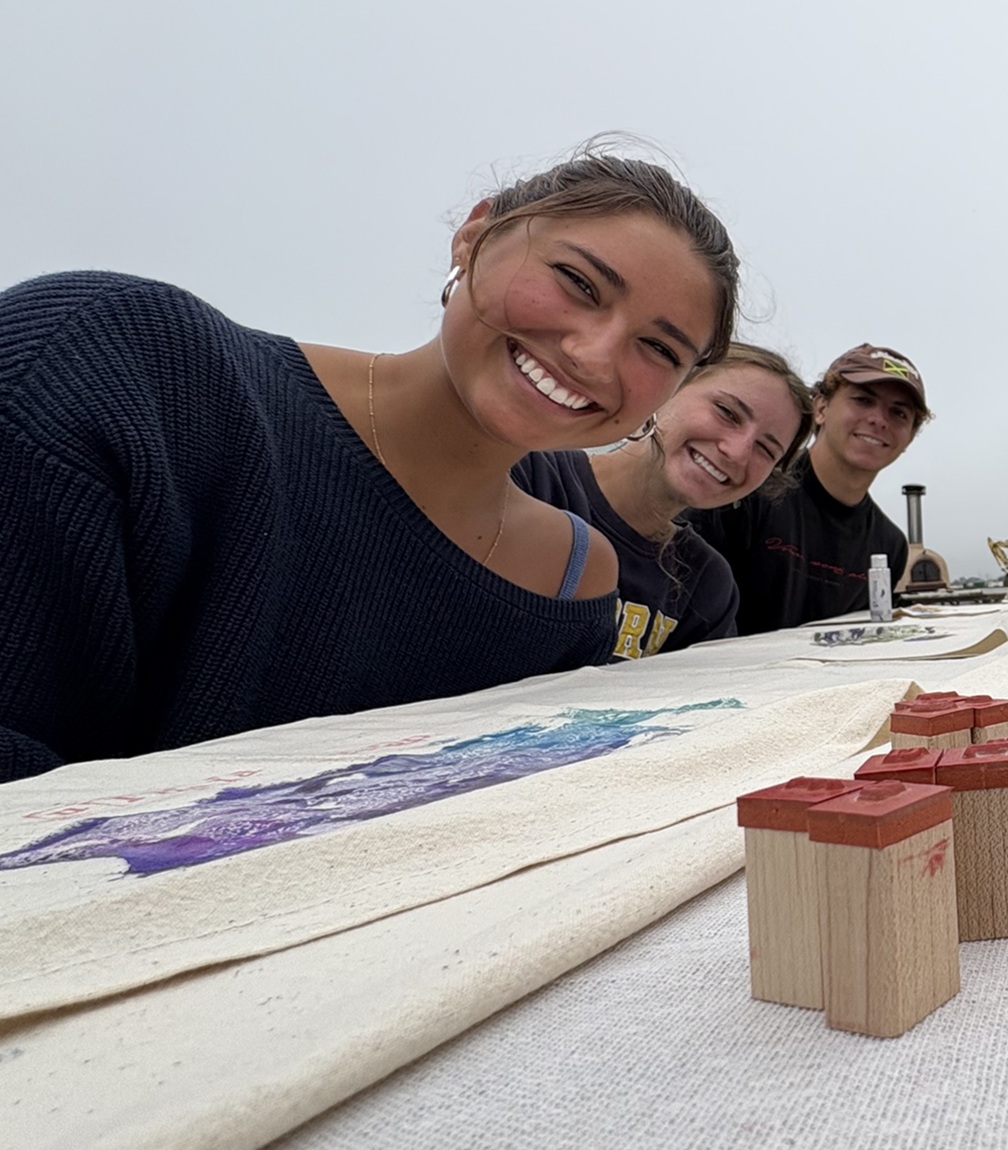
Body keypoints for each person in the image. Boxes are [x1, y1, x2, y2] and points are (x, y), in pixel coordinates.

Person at [0, 150, 740, 782]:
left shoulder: (577, 576)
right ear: (475, 234)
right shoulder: (125, 368)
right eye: (579, 282)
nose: (592, 352)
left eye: (660, 348)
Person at [513, 345, 812, 660]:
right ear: (668, 387)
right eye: (727, 412)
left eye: (765, 449)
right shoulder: (529, 479)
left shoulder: (707, 585)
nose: (737, 452)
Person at [689, 345, 927, 631]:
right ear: (821, 407)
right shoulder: (745, 491)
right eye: (863, 400)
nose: (879, 419)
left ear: (909, 438)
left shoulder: (889, 546)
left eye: (899, 413)